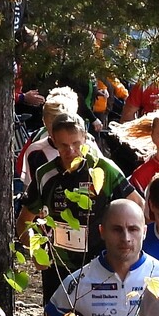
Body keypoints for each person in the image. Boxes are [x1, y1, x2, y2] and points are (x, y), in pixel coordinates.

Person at [18, 115, 132, 301]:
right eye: (63, 145)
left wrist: (123, 247)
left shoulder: (103, 169)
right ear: (53, 141)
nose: (70, 150)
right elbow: (24, 220)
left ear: (85, 138)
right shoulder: (45, 174)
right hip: (59, 265)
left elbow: (137, 206)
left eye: (76, 143)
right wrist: (35, 250)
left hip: (100, 262)